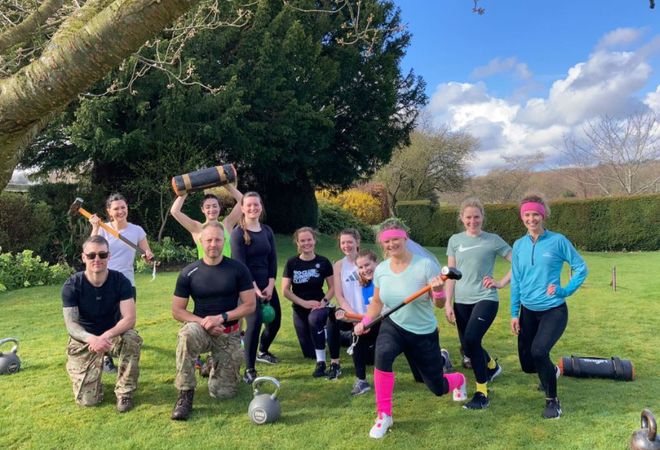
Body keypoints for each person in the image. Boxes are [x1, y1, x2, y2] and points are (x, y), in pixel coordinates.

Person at [354, 219, 467, 439]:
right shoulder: (382, 270)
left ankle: (459, 380)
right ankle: (384, 415)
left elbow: (439, 304)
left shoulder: (425, 265)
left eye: (395, 238)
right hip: (393, 325)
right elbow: (377, 302)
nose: (391, 244)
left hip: (423, 333)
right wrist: (366, 321)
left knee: (437, 387)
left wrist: (439, 291)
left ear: (405, 238)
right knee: (383, 355)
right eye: (386, 241)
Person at [510, 193, 588, 420]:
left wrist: (564, 290)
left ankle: (553, 402)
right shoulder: (518, 245)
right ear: (522, 217)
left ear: (543, 216)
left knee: (539, 351)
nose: (531, 219)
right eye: (527, 214)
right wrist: (514, 313)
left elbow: (581, 268)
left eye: (535, 214)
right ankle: (551, 370)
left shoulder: (558, 241)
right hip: (527, 311)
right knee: (527, 364)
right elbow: (516, 280)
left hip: (553, 310)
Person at [170, 221, 256, 421]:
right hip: (201, 330)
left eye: (218, 240)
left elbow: (249, 305)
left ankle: (211, 364)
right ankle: (185, 394)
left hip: (229, 332)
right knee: (186, 335)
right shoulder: (189, 273)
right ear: (201, 241)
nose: (213, 244)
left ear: (224, 241)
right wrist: (204, 322)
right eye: (209, 240)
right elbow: (177, 311)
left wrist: (221, 318)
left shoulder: (238, 269)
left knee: (222, 394)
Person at [61, 235, 142, 413]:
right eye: (91, 255)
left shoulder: (121, 281)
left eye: (102, 255)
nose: (97, 259)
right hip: (84, 340)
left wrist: (105, 336)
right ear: (83, 257)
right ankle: (91, 375)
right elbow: (71, 325)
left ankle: (125, 392)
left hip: (111, 336)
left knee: (132, 338)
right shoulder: (72, 285)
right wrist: (92, 339)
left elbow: (129, 319)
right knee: (88, 401)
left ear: (109, 256)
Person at [445, 197, 512, 410]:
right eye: (468, 217)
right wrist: (448, 303)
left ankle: (482, 393)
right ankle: (491, 366)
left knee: (473, 339)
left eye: (476, 217)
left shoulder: (492, 240)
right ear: (461, 218)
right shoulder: (455, 240)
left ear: (482, 217)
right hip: (461, 301)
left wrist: (500, 282)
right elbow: (451, 275)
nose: (472, 221)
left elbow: (518, 261)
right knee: (467, 345)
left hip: (485, 298)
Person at [170, 183, 243, 374]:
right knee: (201, 315)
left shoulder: (226, 224)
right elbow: (175, 211)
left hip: (228, 275)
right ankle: (197, 357)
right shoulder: (196, 227)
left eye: (215, 205)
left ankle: (223, 351)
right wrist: (184, 192)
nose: (212, 209)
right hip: (204, 277)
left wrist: (228, 185)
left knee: (236, 310)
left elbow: (244, 202)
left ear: (220, 208)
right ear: (202, 209)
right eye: (208, 206)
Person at [89, 193, 153, 373]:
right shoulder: (102, 228)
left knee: (127, 320)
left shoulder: (137, 230)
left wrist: (148, 256)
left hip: (126, 282)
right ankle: (106, 357)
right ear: (109, 211)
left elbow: (146, 251)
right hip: (104, 280)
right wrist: (95, 227)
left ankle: (127, 351)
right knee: (105, 320)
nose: (120, 211)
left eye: (123, 207)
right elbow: (91, 248)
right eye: (116, 208)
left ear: (127, 208)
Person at [230, 192, 280, 385]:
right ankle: (249, 369)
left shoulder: (267, 231)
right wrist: (255, 290)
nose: (253, 208)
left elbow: (273, 259)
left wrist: (270, 284)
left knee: (275, 322)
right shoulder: (237, 234)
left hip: (267, 284)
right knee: (255, 323)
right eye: (248, 205)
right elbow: (240, 265)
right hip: (246, 287)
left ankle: (263, 351)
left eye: (256, 205)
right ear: (242, 208)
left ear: (261, 206)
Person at [282, 227, 335, 377]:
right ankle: (336, 335)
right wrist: (303, 303)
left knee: (315, 320)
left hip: (319, 307)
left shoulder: (323, 261)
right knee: (309, 353)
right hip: (300, 309)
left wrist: (323, 302)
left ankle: (323, 350)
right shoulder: (292, 262)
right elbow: (285, 290)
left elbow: (333, 288)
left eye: (309, 240)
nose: (306, 243)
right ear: (297, 243)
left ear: (314, 240)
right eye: (302, 240)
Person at [327, 229, 363, 382]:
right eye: (343, 242)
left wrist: (363, 317)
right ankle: (335, 363)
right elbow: (339, 296)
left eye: (349, 242)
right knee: (332, 318)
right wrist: (353, 315)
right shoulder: (339, 265)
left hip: (368, 314)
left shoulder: (366, 261)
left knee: (369, 360)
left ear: (357, 242)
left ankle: (348, 337)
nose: (346, 245)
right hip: (348, 313)